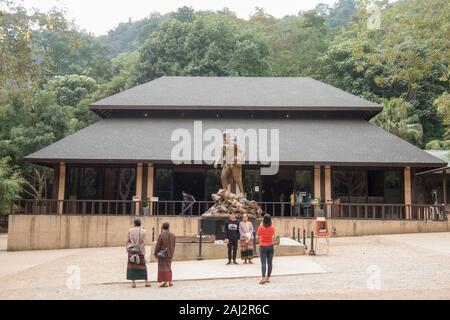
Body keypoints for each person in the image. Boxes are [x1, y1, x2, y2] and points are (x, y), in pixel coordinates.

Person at [126, 219, 150, 288]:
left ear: (134, 223)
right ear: (140, 224)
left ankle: (133, 283)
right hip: (140, 251)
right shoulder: (144, 231)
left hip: (132, 250)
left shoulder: (130, 230)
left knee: (132, 266)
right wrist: (141, 250)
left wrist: (127, 249)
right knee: (143, 266)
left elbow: (127, 241)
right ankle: (146, 282)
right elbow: (144, 242)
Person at [154, 222, 176, 287]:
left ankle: (166, 282)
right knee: (169, 267)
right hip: (170, 254)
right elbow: (174, 245)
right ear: (169, 227)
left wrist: (155, 253)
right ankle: (170, 281)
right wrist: (171, 253)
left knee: (163, 268)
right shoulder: (173, 235)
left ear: (163, 228)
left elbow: (158, 245)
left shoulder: (161, 235)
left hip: (163, 255)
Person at [257, 214, 275, 285]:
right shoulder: (272, 227)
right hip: (271, 246)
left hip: (263, 246)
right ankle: (268, 278)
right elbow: (273, 234)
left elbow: (258, 236)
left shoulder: (260, 227)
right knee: (270, 262)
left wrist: (261, 225)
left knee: (263, 263)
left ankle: (263, 278)